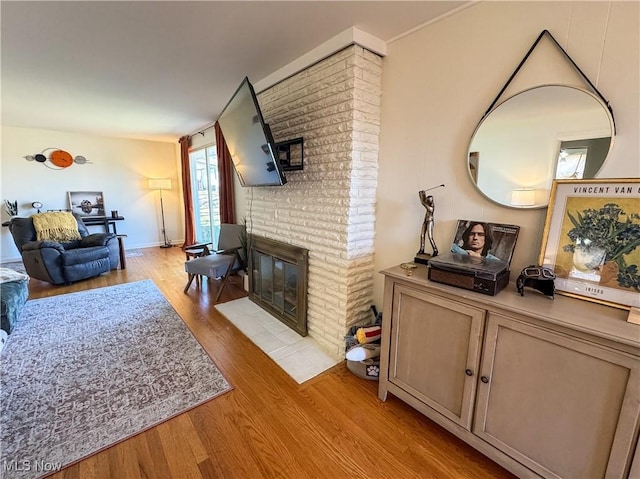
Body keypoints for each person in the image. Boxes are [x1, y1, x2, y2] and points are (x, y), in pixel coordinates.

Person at [418, 191, 438, 256]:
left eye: (428, 200)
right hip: (425, 221)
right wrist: (422, 194)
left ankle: (435, 250)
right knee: (422, 235)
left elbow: (423, 203)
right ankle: (422, 249)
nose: (428, 201)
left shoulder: (431, 207)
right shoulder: (428, 204)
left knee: (430, 236)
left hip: (430, 222)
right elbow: (423, 201)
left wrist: (422, 197)